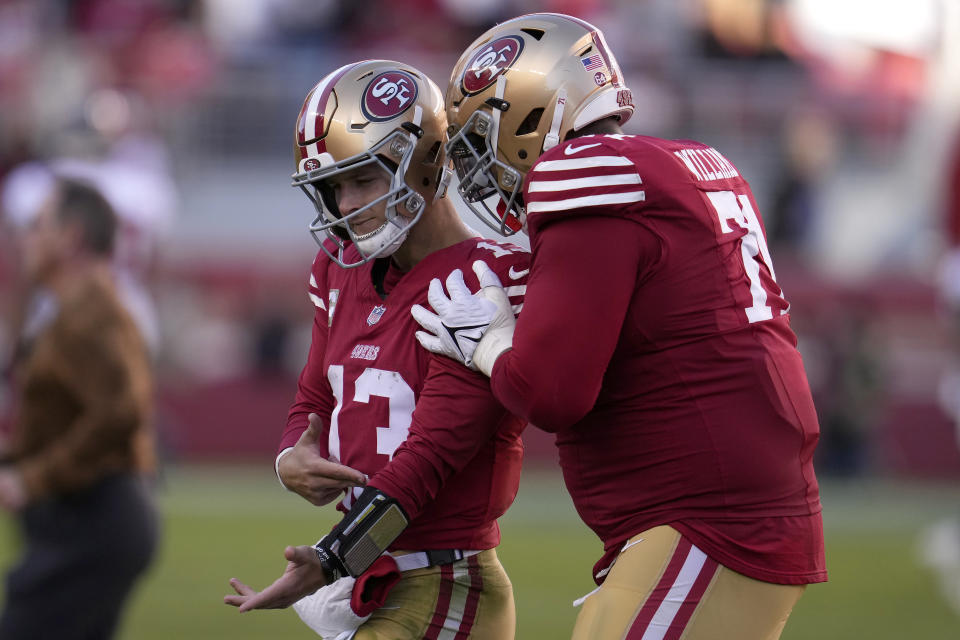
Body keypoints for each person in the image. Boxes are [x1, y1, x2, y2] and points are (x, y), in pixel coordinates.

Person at [412, 13, 827, 640]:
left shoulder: (585, 177)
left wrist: (491, 344)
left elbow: (552, 393)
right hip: (722, 508)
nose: (479, 170)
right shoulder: (689, 162)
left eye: (479, 143)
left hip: (710, 519)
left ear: (528, 116)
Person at [223, 60, 530, 639]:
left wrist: (334, 556)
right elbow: (316, 394)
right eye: (334, 188)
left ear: (427, 163)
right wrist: (291, 456)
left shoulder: (486, 279)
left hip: (446, 583)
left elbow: (429, 458)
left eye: (362, 179)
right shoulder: (338, 273)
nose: (344, 206)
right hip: (367, 578)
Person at [0, 178, 158, 639]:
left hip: (93, 520)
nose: (24, 237)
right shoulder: (70, 308)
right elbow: (61, 425)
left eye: (36, 225)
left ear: (70, 236)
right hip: (82, 521)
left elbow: (121, 411)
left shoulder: (92, 309)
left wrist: (31, 480)